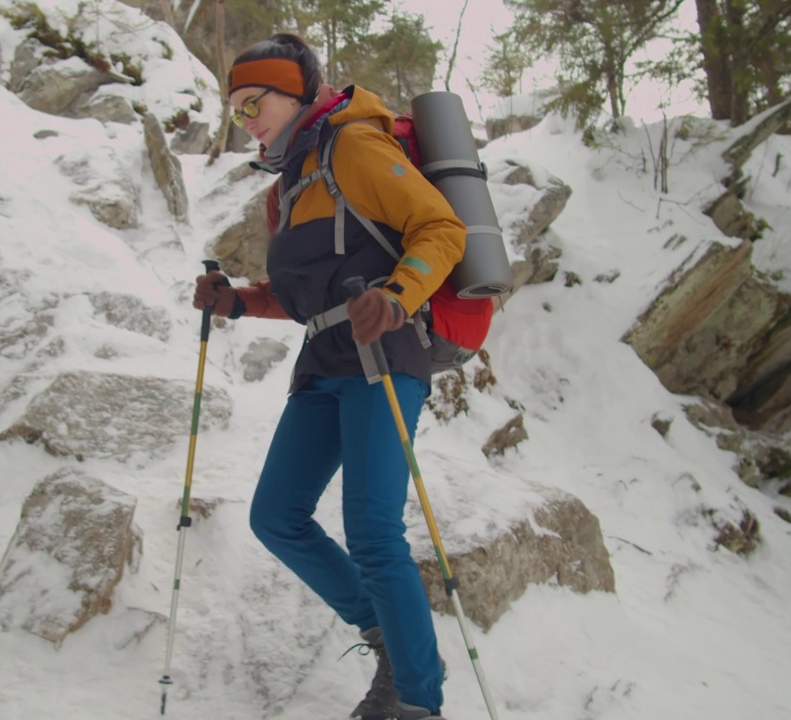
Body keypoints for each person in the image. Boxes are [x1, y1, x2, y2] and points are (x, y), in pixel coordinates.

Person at [192, 33, 465, 720]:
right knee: (276, 516)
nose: (247, 117)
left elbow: (441, 228)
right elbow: (302, 294)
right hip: (324, 363)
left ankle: (416, 699)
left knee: (373, 532)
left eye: (256, 101)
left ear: (298, 92)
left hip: (384, 354)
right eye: (237, 109)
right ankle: (385, 637)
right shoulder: (288, 183)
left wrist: (399, 296)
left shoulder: (354, 146)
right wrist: (237, 301)